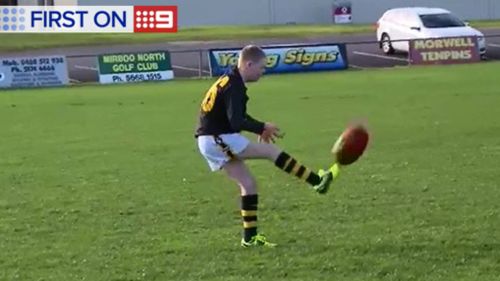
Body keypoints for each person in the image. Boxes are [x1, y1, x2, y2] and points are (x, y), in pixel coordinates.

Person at [194, 45, 340, 248]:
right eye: (261, 68)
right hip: (217, 138)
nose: (263, 72)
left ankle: (250, 238)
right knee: (271, 152)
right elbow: (236, 122)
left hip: (212, 139)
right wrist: (262, 126)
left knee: (249, 184)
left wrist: (259, 129)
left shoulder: (230, 79)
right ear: (249, 64)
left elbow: (237, 117)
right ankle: (317, 182)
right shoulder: (234, 85)